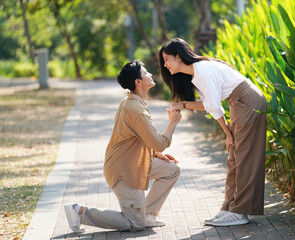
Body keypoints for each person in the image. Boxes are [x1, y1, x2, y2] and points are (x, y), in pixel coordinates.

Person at [159, 38, 267, 227]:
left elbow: (214, 107)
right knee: (234, 157)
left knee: (243, 156)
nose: (165, 64)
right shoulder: (197, 73)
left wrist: (228, 133)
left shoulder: (203, 71)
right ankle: (229, 208)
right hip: (240, 103)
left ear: (178, 56)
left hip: (247, 102)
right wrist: (181, 104)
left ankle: (240, 212)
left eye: (167, 59)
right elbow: (208, 104)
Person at [64, 60, 182, 233]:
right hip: (124, 171)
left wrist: (155, 154)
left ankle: (147, 214)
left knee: (172, 170)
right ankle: (79, 212)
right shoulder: (135, 109)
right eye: (146, 72)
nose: (150, 74)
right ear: (138, 82)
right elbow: (159, 142)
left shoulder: (132, 103)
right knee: (135, 224)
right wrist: (173, 123)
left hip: (134, 164)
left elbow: (141, 139)